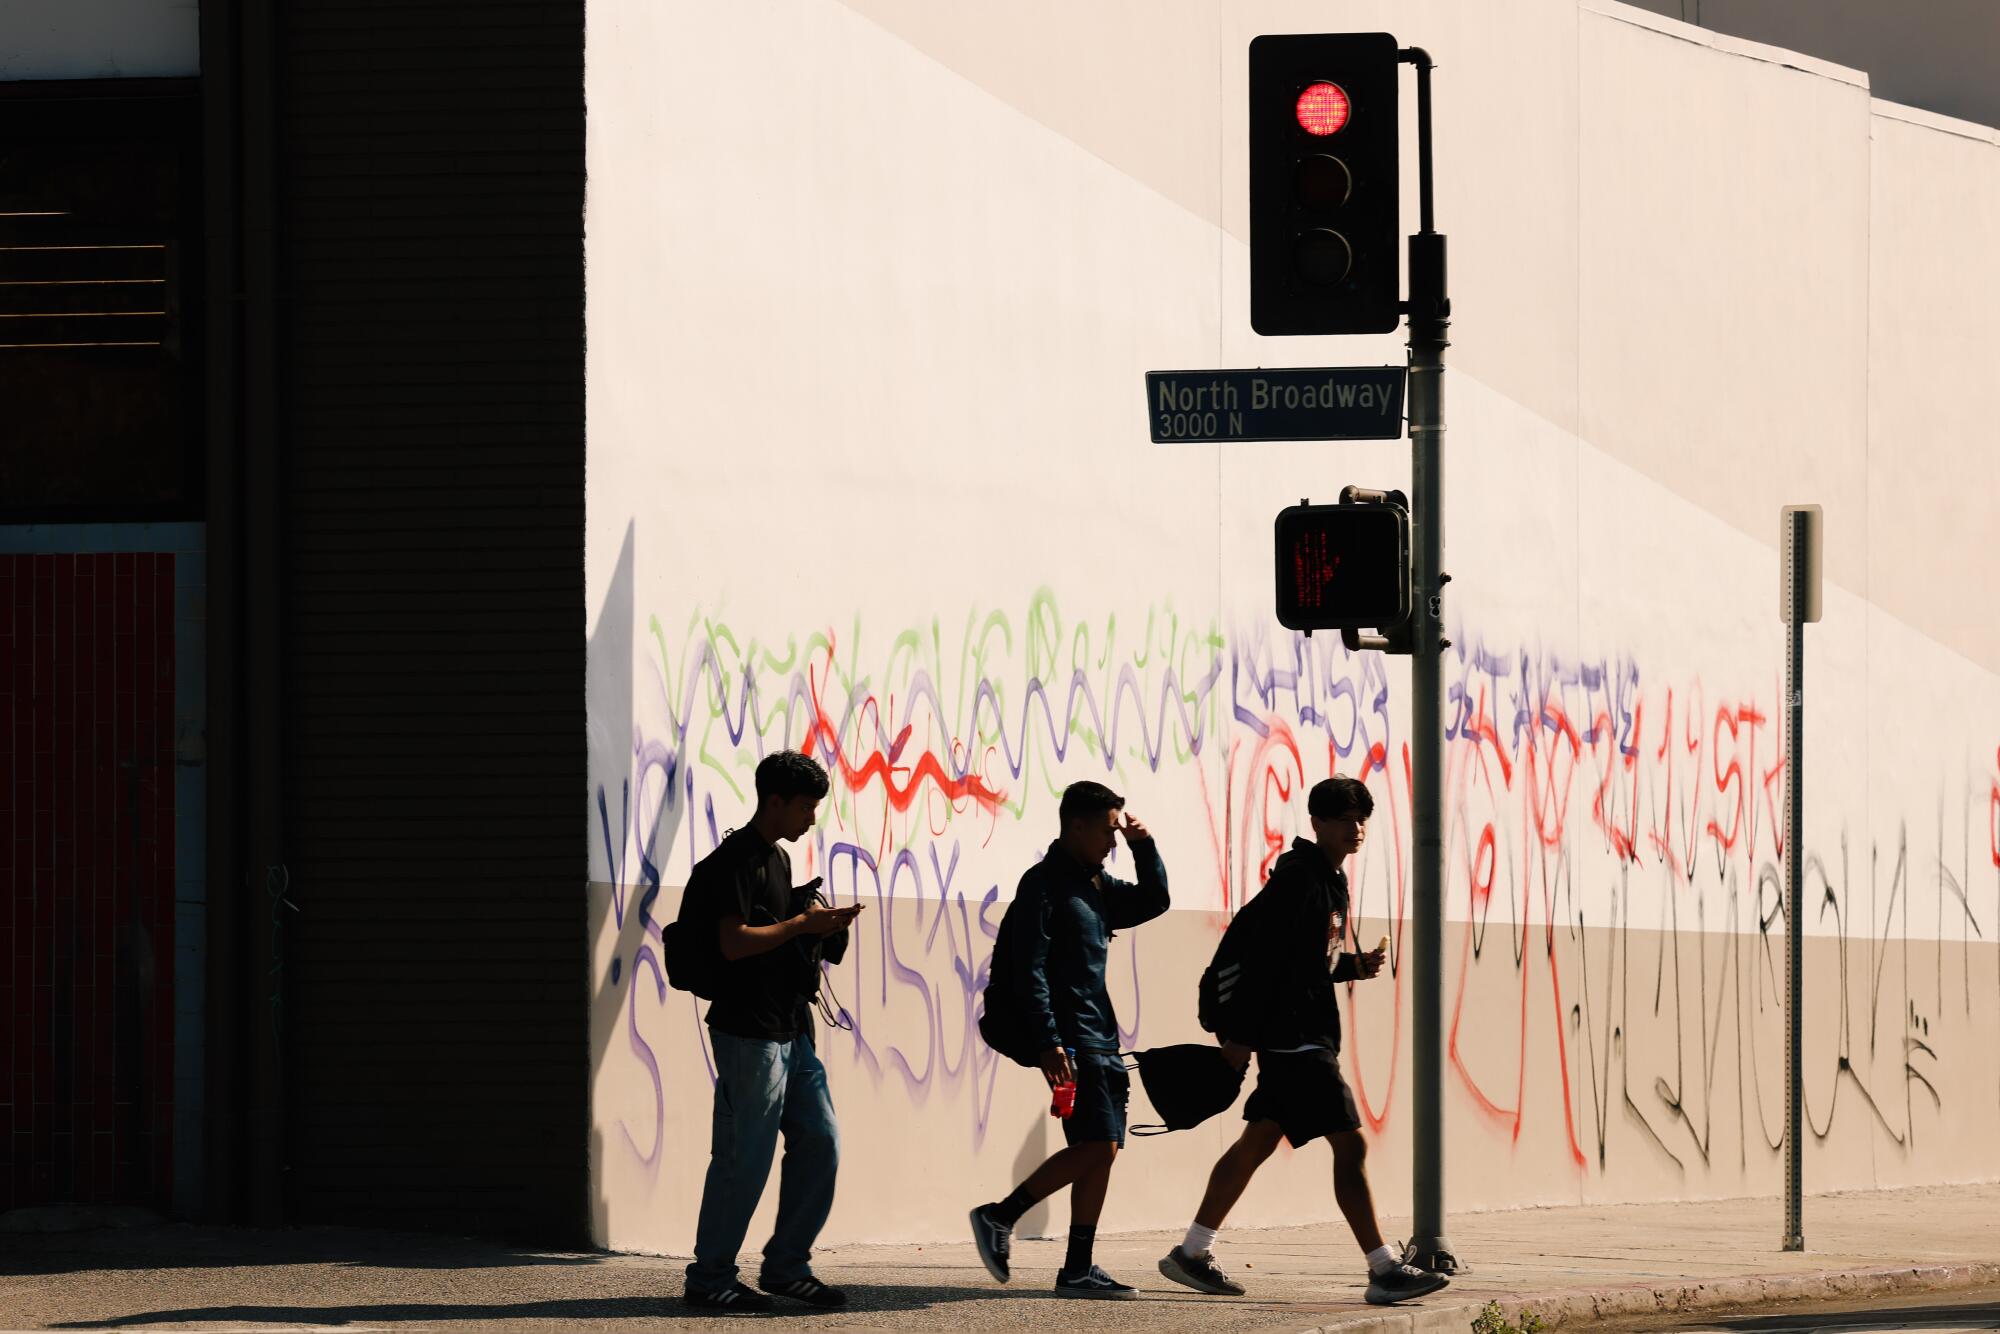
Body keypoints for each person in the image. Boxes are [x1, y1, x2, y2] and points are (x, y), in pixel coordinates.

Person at [1158, 775, 1449, 1307]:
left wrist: (1354, 965)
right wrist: (1241, 1036)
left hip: (1297, 1036)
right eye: (1344, 819)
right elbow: (1269, 964)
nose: (1356, 829)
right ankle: (1383, 1268)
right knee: (1351, 1144)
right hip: (1296, 1040)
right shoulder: (1302, 881)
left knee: (1257, 1142)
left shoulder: (1326, 879)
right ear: (1317, 822)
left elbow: (1308, 961)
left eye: (1362, 819)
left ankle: (1192, 1252)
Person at [968, 780, 1170, 1299]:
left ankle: (1078, 1268)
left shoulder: (1098, 885)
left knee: (1099, 1150)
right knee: (1097, 1144)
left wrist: (1144, 846)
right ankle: (1000, 1215)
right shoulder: (1044, 885)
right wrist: (1048, 1040)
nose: (1113, 841)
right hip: (1070, 1037)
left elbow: (1155, 900)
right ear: (1075, 825)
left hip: (1099, 1031)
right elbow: (1027, 968)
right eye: (1107, 831)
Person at [682, 750, 864, 1312]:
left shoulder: (779, 862)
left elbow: (782, 934)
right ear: (775, 800)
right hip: (748, 1031)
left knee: (821, 1141)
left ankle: (787, 1266)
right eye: (806, 807)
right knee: (745, 1157)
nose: (811, 819)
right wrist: (800, 924)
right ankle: (711, 1277)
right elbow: (733, 942)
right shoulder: (733, 861)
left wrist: (817, 927)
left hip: (791, 1027)